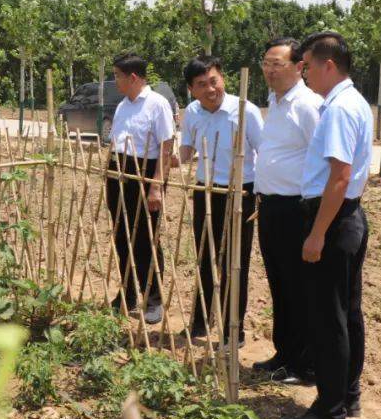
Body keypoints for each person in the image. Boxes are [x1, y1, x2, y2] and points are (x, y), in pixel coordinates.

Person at [279, 31, 373, 419]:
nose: (305, 74)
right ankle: (347, 396)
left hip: (332, 217)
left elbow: (339, 176)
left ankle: (328, 411)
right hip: (348, 215)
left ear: (327, 65)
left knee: (327, 318)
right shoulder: (355, 102)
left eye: (308, 66)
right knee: (348, 313)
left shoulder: (336, 109)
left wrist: (317, 233)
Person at [177, 55, 263, 347]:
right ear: (192, 89)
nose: (210, 88)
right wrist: (169, 160)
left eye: (213, 80)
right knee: (205, 257)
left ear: (222, 78)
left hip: (240, 192)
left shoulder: (244, 111)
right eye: (202, 84)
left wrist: (262, 193)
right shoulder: (192, 112)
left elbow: (263, 152)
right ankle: (200, 322)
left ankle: (232, 331)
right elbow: (186, 150)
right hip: (205, 190)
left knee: (234, 264)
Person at [252, 37, 322, 384]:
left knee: (300, 286)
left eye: (277, 63)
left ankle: (306, 363)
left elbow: (321, 156)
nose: (269, 70)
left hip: (296, 208)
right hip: (271, 206)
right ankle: (285, 353)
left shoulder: (308, 105)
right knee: (279, 283)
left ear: (300, 67)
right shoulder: (275, 102)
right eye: (266, 63)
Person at [107, 52, 175, 325]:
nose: (115, 81)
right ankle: (128, 293)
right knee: (121, 235)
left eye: (117, 76)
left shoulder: (157, 104)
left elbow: (166, 145)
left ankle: (154, 299)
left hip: (144, 173)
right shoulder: (123, 105)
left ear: (132, 77)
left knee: (147, 238)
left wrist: (157, 185)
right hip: (118, 170)